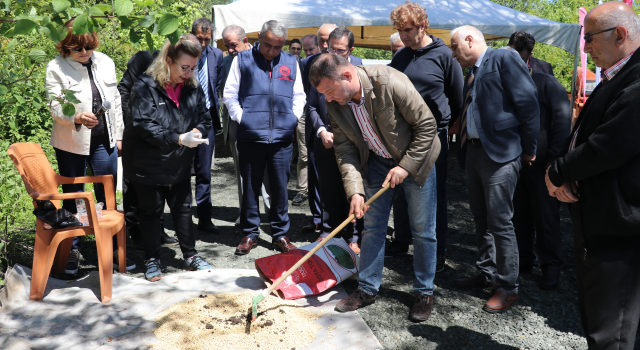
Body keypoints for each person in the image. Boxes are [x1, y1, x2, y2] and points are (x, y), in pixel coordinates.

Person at [310, 54, 440, 322]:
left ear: (346, 75)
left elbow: (427, 126)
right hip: (377, 161)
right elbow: (345, 150)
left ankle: (424, 292)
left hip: (417, 158)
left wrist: (405, 166)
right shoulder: (335, 102)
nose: (329, 99)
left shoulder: (390, 81)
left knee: (423, 230)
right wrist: (355, 191)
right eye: (325, 94)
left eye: (330, 91)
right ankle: (367, 289)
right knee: (372, 227)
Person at [545, 2, 640, 348]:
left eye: (589, 39)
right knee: (597, 317)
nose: (584, 48)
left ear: (620, 34)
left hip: (621, 225)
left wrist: (556, 172)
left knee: (610, 330)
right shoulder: (618, 74)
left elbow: (609, 145)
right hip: (602, 217)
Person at [449, 25, 539, 313]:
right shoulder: (472, 72)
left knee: (500, 222)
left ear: (471, 39)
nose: (453, 53)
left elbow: (528, 104)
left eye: (454, 46)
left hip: (501, 154)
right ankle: (487, 273)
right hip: (475, 153)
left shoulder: (503, 57)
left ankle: (508, 287)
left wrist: (529, 149)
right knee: (480, 217)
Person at [45, 18, 134, 275]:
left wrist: (119, 136)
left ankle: (113, 251)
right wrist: (76, 116)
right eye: (77, 49)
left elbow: (115, 100)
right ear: (65, 48)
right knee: (73, 196)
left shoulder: (105, 61)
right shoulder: (56, 67)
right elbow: (54, 104)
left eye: (88, 47)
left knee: (106, 197)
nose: (84, 53)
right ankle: (72, 249)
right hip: (70, 142)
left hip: (104, 142)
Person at [125, 37, 213, 281]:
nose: (189, 73)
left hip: (180, 162)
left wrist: (198, 132)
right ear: (168, 61)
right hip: (148, 163)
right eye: (184, 67)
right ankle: (152, 259)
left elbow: (206, 118)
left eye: (194, 68)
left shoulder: (193, 87)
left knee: (183, 209)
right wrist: (178, 138)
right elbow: (143, 125)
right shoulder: (145, 85)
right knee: (151, 212)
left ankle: (190, 255)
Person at [386, 2, 464, 275]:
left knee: (433, 197)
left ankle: (437, 250)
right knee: (400, 191)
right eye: (399, 31)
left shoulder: (444, 55)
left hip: (433, 137)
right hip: (401, 136)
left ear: (423, 25)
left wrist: (445, 124)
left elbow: (457, 97)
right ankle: (402, 240)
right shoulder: (401, 57)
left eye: (407, 30)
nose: (403, 36)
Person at [223, 20, 306, 255]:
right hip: (250, 136)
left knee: (280, 188)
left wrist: (292, 118)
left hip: (282, 138)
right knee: (250, 187)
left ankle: (280, 234)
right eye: (268, 45)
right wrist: (243, 118)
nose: (271, 51)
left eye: (277, 47)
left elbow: (299, 95)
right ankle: (249, 234)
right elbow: (229, 94)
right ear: (258, 37)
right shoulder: (242, 60)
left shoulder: (291, 61)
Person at [500, 45, 571, 290]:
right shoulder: (506, 87)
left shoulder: (547, 84)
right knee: (519, 216)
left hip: (544, 166)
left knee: (546, 219)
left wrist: (554, 161)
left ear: (525, 59)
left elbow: (563, 122)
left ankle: (551, 267)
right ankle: (524, 261)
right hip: (516, 164)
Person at [306, 27, 364, 253]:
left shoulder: (359, 69)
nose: (336, 54)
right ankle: (328, 230)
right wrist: (321, 130)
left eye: (341, 50)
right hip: (325, 139)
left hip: (351, 141)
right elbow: (311, 105)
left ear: (351, 50)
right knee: (328, 187)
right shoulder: (319, 67)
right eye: (332, 49)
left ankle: (354, 234)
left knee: (351, 188)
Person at [220, 25, 272, 226]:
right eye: (227, 46)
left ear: (245, 40)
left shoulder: (260, 58)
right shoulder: (225, 62)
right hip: (236, 124)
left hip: (262, 123)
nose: (231, 49)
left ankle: (269, 212)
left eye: (233, 45)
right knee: (242, 169)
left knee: (267, 168)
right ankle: (247, 212)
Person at [300, 24, 338, 233]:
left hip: (344, 133)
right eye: (321, 41)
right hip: (317, 127)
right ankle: (318, 217)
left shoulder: (356, 64)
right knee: (316, 173)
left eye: (328, 40)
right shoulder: (309, 64)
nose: (325, 45)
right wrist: (319, 128)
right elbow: (309, 99)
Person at [191, 18, 223, 234]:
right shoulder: (181, 51)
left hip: (207, 120)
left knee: (204, 171)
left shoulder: (217, 55)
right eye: (199, 39)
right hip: (183, 119)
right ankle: (183, 218)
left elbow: (216, 85)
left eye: (207, 39)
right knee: (182, 171)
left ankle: (204, 217)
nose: (203, 44)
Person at [291, 34, 320, 208]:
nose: (308, 53)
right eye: (306, 49)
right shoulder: (301, 64)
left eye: (311, 49)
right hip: (304, 113)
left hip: (323, 114)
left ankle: (319, 188)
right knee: (303, 153)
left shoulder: (326, 62)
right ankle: (302, 190)